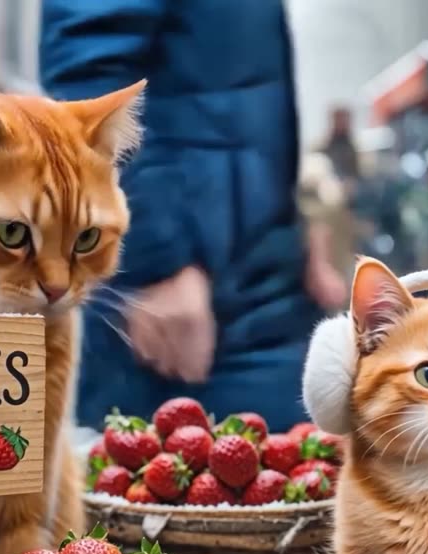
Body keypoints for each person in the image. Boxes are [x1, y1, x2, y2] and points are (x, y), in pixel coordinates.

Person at [41, 0, 345, 431]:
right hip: (186, 309)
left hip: (251, 290)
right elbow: (89, 80)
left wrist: (292, 224)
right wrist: (156, 261)